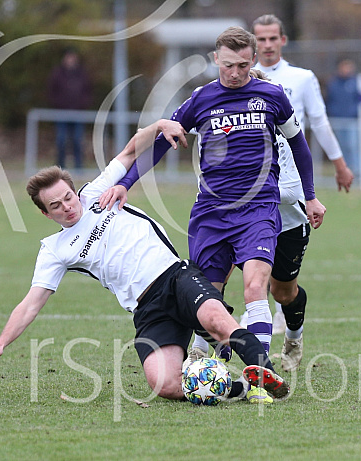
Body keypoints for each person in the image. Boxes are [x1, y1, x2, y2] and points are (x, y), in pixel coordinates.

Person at [0, 119, 289, 404]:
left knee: (217, 321)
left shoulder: (96, 192)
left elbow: (128, 151)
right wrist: (1, 342)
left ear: (72, 189)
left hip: (175, 278)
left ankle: (267, 376)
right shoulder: (54, 250)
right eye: (56, 206)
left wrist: (159, 126)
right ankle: (238, 389)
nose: (67, 207)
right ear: (45, 213)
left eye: (68, 197)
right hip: (146, 309)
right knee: (164, 385)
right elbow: (31, 304)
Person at [100, 27, 326, 365]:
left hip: (258, 208)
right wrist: (125, 182)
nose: (235, 73)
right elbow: (163, 142)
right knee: (209, 292)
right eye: (228, 65)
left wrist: (310, 197)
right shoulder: (201, 99)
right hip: (211, 212)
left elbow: (300, 146)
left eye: (243, 66)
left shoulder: (272, 96)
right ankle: (206, 358)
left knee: (254, 287)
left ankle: (258, 373)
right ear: (215, 59)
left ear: (253, 61)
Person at [246, 14, 352, 371]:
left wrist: (338, 164)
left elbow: (317, 123)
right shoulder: (236, 82)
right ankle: (209, 350)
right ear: (252, 43)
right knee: (229, 274)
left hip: (289, 197)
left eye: (273, 38)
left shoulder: (301, 79)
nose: (267, 44)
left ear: (283, 40)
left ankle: (293, 335)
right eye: (261, 39)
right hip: (248, 199)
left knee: (283, 290)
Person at [325, 58, 361, 179]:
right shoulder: (333, 83)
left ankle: (357, 172)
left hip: (352, 120)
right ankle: (344, 171)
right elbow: (330, 100)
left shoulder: (357, 82)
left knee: (353, 145)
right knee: (341, 147)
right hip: (337, 119)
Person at [47, 48, 92, 170]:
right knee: (61, 140)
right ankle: (59, 167)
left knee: (78, 140)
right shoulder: (58, 73)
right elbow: (52, 91)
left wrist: (83, 104)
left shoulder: (82, 74)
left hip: (78, 113)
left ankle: (78, 167)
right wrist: (58, 104)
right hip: (62, 113)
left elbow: (87, 91)